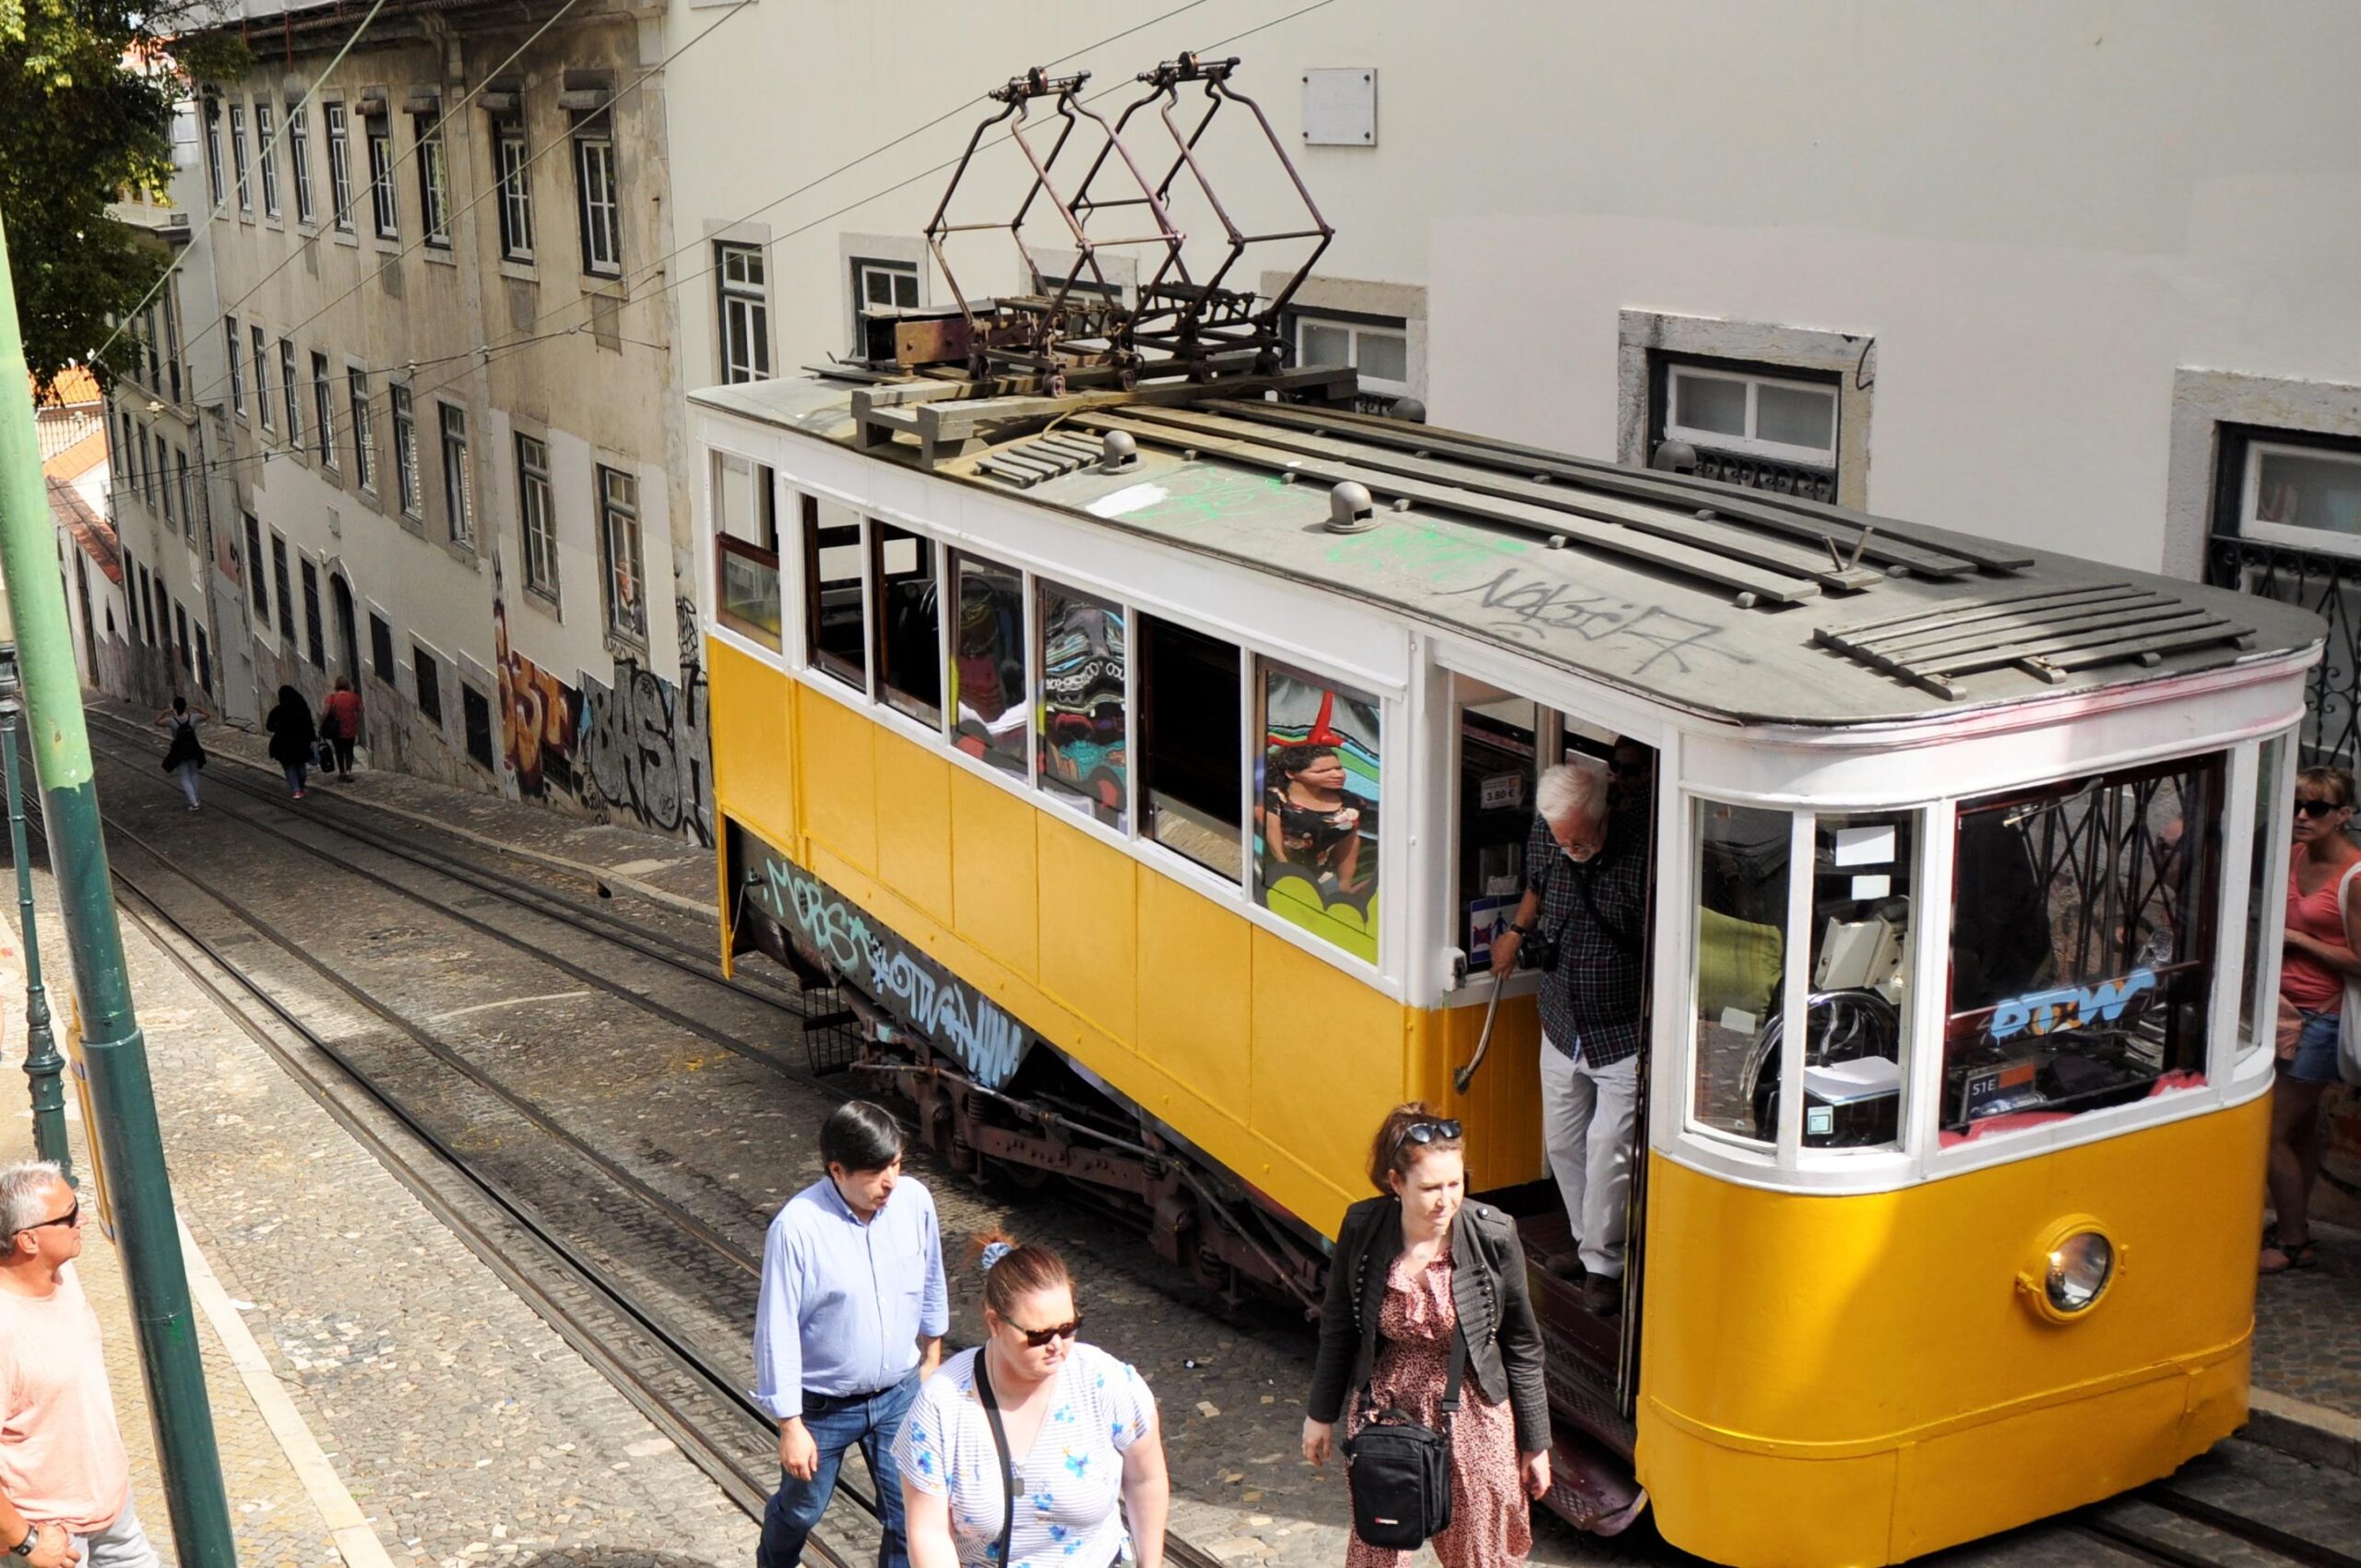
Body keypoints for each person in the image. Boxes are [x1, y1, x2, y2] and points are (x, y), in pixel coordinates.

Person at [1302, 1108, 1550, 1568]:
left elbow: (1522, 1344)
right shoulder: (1362, 1228)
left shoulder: (1494, 1233)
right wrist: (1320, 1415)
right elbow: (1337, 1327)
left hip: (1475, 1408)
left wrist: (1536, 1443)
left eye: (1455, 1184)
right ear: (1396, 1183)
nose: (1446, 1201)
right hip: (1388, 1403)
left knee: (1480, 1549)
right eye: (1431, 1188)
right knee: (1381, 1542)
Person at [753, 1102, 949, 1568]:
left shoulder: (915, 1201)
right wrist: (790, 1425)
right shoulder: (796, 1228)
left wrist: (932, 1356)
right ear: (837, 1170)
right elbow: (775, 1328)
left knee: (910, 1515)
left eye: (897, 1165)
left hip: (900, 1394)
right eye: (877, 1171)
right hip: (823, 1408)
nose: (891, 1182)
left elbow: (931, 1277)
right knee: (803, 1510)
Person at [896, 1237, 1167, 1568]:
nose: (1056, 1345)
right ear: (994, 1323)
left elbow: (1145, 1479)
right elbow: (929, 1533)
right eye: (1038, 1335)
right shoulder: (942, 1404)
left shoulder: (1107, 1383)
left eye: (1068, 1328)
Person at [1489, 764, 1645, 1312]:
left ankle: (1605, 1264)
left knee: (1609, 1150)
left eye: (1581, 838)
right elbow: (1538, 884)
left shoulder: (1641, 858)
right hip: (1560, 1017)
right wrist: (1515, 932)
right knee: (1563, 1142)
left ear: (1603, 817)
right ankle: (1585, 1242)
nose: (1571, 846)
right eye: (1562, 838)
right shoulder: (1546, 834)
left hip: (1622, 1029)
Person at [0, 1161, 161, 1568]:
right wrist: (26, 1542)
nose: (83, 1220)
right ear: (29, 1241)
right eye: (69, 1216)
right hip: (50, 1537)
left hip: (112, 1510)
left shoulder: (63, 1273)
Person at [2266, 765, 2361, 1273]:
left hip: (2320, 1018)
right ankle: (2291, 1221)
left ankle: (2294, 1238)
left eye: (2317, 808)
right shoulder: (2294, 854)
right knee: (2297, 1130)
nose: (2302, 816)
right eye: (2297, 804)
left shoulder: (2355, 876)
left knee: (2266, 1131)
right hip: (2278, 1011)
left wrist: (2301, 941)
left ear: (2343, 815)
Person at [1259, 743, 1374, 893]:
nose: (1338, 775)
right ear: (1291, 774)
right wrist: (1288, 876)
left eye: (1338, 768)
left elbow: (1349, 842)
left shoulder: (1350, 802)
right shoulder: (1274, 799)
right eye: (1323, 771)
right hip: (1275, 874)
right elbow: (1273, 840)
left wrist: (1344, 885)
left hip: (1322, 877)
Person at [152, 695, 209, 812]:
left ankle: (193, 802)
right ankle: (195, 799)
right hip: (193, 749)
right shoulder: (193, 718)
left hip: (179, 750)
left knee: (184, 776)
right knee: (194, 773)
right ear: (185, 706)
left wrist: (164, 712)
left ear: (174, 707)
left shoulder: (171, 721)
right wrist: (197, 708)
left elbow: (157, 722)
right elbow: (207, 715)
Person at [264, 684, 317, 800]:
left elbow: (269, 726)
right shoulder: (303, 709)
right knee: (300, 766)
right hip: (301, 743)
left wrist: (278, 727)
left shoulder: (278, 710)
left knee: (289, 767)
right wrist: (312, 739)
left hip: (283, 744)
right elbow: (309, 725)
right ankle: (299, 788)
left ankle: (297, 790)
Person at [321, 676, 363, 778]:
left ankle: (342, 771)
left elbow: (326, 712)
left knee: (339, 750)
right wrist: (357, 720)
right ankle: (349, 770)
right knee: (349, 749)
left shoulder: (332, 698)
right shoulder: (354, 697)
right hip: (350, 726)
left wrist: (322, 723)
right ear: (348, 685)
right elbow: (361, 709)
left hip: (336, 728)